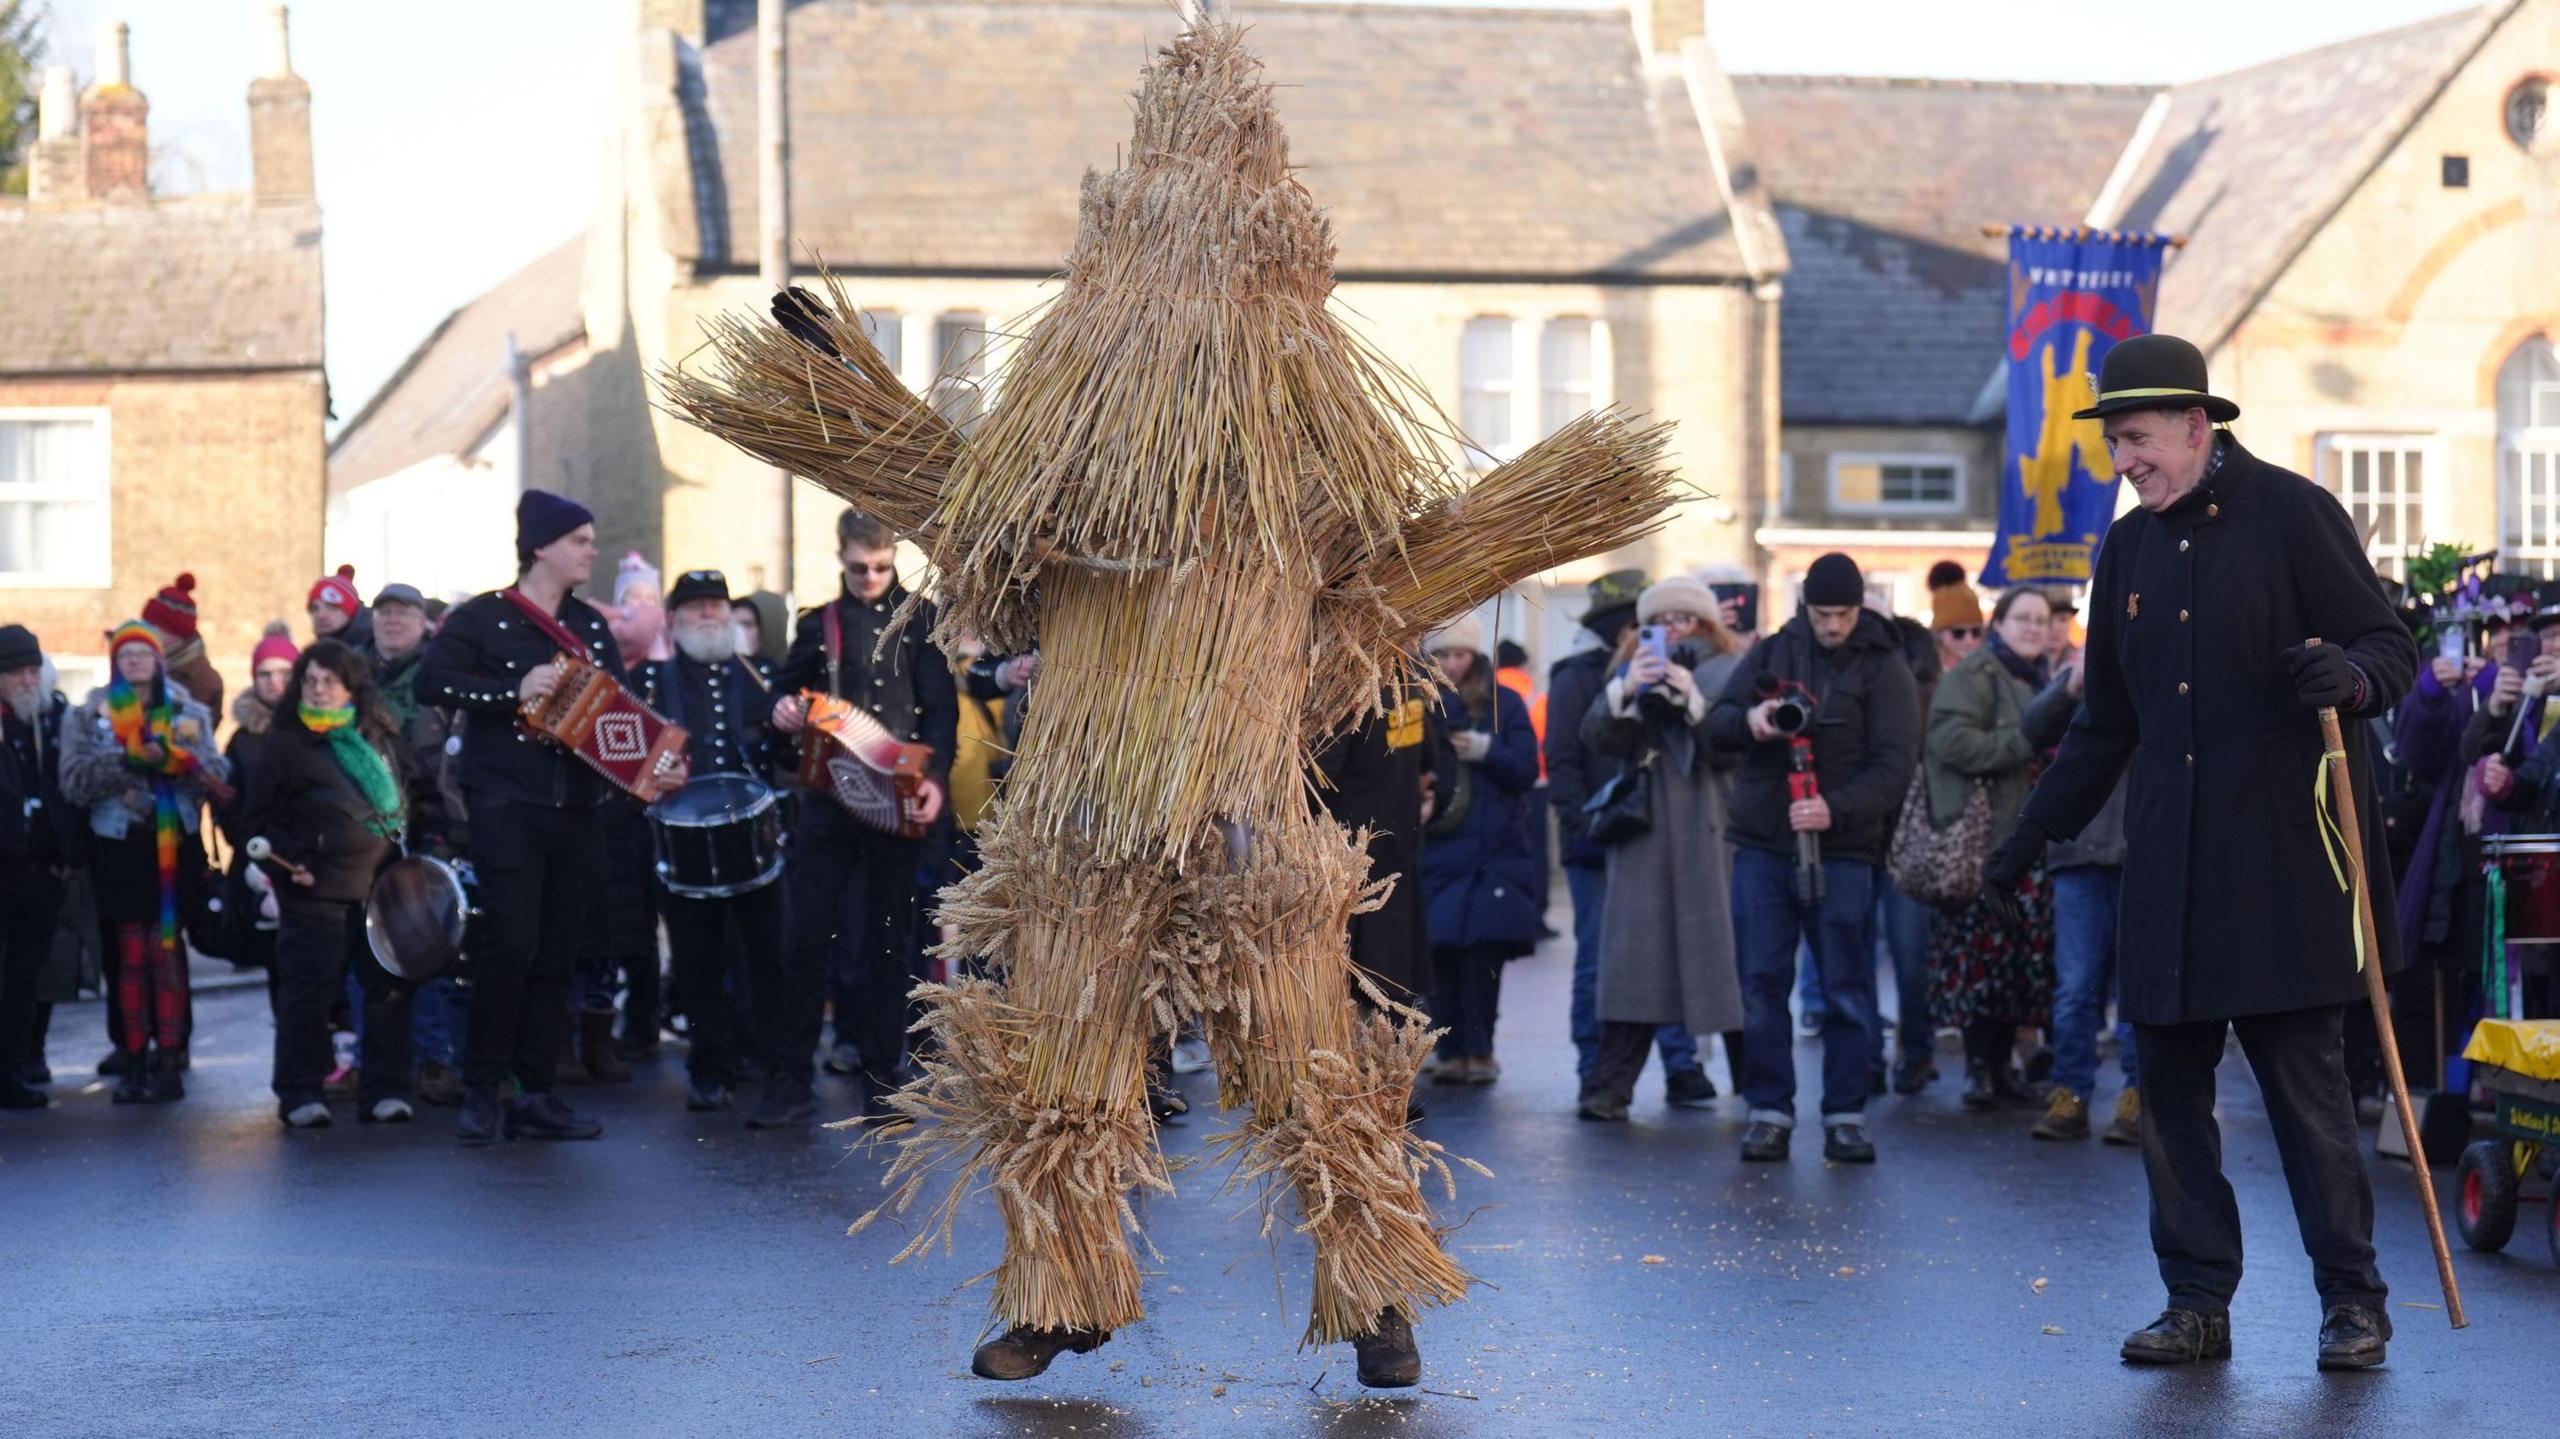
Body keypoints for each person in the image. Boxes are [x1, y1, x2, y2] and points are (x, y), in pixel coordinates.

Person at [1984, 333, 2415, 1370]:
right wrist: (2028, 836)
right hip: (2168, 870)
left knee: (2306, 1102)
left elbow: (2389, 647)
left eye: (2135, 438)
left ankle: (2352, 1301)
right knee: (2169, 1103)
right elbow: (2103, 725)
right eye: (2113, 443)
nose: (2123, 460)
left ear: (2194, 423)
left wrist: (2348, 677)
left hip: (2283, 864)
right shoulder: (2125, 551)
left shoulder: (2293, 513)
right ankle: (2194, 1302)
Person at [418, 489, 643, 1145]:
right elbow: (433, 681)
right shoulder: (481, 618)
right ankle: (482, 1087)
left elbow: (619, 711)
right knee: (510, 944)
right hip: (505, 803)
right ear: (541, 545)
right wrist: (508, 690)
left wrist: (652, 765)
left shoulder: (593, 625)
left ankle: (534, 1091)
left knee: (557, 952)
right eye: (579, 539)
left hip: (576, 807)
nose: (591, 550)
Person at [1708, 552, 1917, 1165]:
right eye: (1823, 614)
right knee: (1763, 984)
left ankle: (1845, 1116)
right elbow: (1715, 726)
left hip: (1846, 850)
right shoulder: (1773, 651)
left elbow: (1897, 765)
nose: (1833, 626)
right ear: (1806, 608)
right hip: (1764, 847)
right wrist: (1751, 721)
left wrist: (1836, 807)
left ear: (1861, 608)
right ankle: (1769, 1113)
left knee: (1847, 988)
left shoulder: (1884, 665)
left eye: (1844, 614)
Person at [768, 508, 955, 1121]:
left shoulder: (922, 620)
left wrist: (933, 780)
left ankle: (882, 1079)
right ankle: (790, 1081)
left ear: (894, 553)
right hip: (828, 800)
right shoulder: (818, 624)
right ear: (841, 557)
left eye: (880, 566)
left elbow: (941, 715)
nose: (871, 576)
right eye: (858, 567)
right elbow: (783, 699)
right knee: (805, 940)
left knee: (887, 943)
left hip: (896, 801)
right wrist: (783, 714)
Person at [1575, 575, 1747, 1121]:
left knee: (1724, 957)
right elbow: (1597, 737)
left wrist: (1693, 700)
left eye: (1684, 620)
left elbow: (1733, 745)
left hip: (1710, 822)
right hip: (1645, 829)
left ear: (1706, 624)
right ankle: (1610, 1086)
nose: (1672, 630)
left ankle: (1760, 1087)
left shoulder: (1730, 668)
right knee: (1634, 956)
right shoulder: (1629, 669)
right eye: (1660, 622)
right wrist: (1627, 691)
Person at [241, 640, 427, 1127]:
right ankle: (301, 1093)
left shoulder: (379, 733)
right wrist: (292, 863)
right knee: (309, 994)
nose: (319, 690)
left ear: (352, 687)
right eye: (310, 681)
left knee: (388, 989)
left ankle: (386, 1089)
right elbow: (258, 819)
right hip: (314, 886)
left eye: (329, 681)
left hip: (379, 888)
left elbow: (417, 793)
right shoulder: (286, 743)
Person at [1546, 571, 1712, 1099]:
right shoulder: (1578, 676)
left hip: (1658, 836)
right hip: (1601, 838)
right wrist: (1583, 829)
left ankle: (1681, 1065)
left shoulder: (1692, 670)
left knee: (1672, 949)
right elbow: (1569, 756)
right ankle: (1596, 1070)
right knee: (1602, 957)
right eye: (1646, 626)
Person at [58, 621, 230, 1103]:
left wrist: (175, 760)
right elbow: (73, 781)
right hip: (118, 848)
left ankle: (170, 1059)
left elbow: (216, 774)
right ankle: (134, 1058)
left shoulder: (187, 711)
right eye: (125, 654)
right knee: (130, 958)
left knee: (168, 958)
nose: (134, 661)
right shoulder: (90, 714)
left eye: (142, 653)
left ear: (158, 660)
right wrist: (127, 763)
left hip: (174, 846)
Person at [636, 570, 786, 1115]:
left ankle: (771, 1061)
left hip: (754, 840)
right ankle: (709, 1067)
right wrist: (655, 772)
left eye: (716, 606)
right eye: (696, 607)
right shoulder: (652, 681)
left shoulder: (764, 676)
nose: (708, 615)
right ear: (674, 620)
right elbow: (628, 762)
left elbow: (789, 757)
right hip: (685, 845)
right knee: (699, 961)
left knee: (767, 955)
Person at [1924, 587, 2057, 1110]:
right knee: (1983, 960)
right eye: (2021, 617)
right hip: (1986, 842)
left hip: (2034, 843)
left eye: (2041, 619)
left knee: (2022, 962)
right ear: (1997, 623)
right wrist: (2023, 742)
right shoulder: (1973, 675)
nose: (2031, 627)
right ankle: (1980, 1067)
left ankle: (2004, 1067)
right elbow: (1950, 742)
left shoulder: (2048, 676)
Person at [2020, 648, 2139, 1144]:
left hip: (2141, 853)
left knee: (2138, 988)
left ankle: (2139, 1094)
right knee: (2074, 989)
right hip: (2079, 852)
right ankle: (2070, 1092)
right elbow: (2033, 729)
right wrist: (2071, 682)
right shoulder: (2080, 672)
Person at [1419, 614, 1540, 1084]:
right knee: (1442, 955)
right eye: (1442, 654)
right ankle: (1450, 1051)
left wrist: (1486, 752)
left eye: (1459, 654)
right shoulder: (1422, 703)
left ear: (1477, 657)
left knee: (1482, 958)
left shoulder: (1503, 704)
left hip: (1494, 852)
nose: (1451, 664)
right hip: (1441, 848)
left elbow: (1526, 769)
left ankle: (1481, 1050)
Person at [365, 583, 469, 1104]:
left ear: (423, 621)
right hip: (367, 834)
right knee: (371, 950)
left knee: (429, 943)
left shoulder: (438, 678)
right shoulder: (353, 676)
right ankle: (378, 1062)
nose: (392, 620)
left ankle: (435, 1059)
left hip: (431, 828)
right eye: (383, 612)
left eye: (403, 611)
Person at [0, 625, 76, 1109]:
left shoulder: (50, 720)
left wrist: (63, 856)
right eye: (16, 673)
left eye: (32, 670)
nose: (28, 680)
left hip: (40, 871)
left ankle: (11, 1070)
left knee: (24, 978)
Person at [142, 572, 223, 716]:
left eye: (153, 626)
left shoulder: (204, 682)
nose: (146, 632)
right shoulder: (140, 666)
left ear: (175, 632)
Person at [307, 564, 371, 649]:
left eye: (331, 607)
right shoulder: (315, 654)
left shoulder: (375, 651)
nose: (320, 615)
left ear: (350, 612)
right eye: (315, 608)